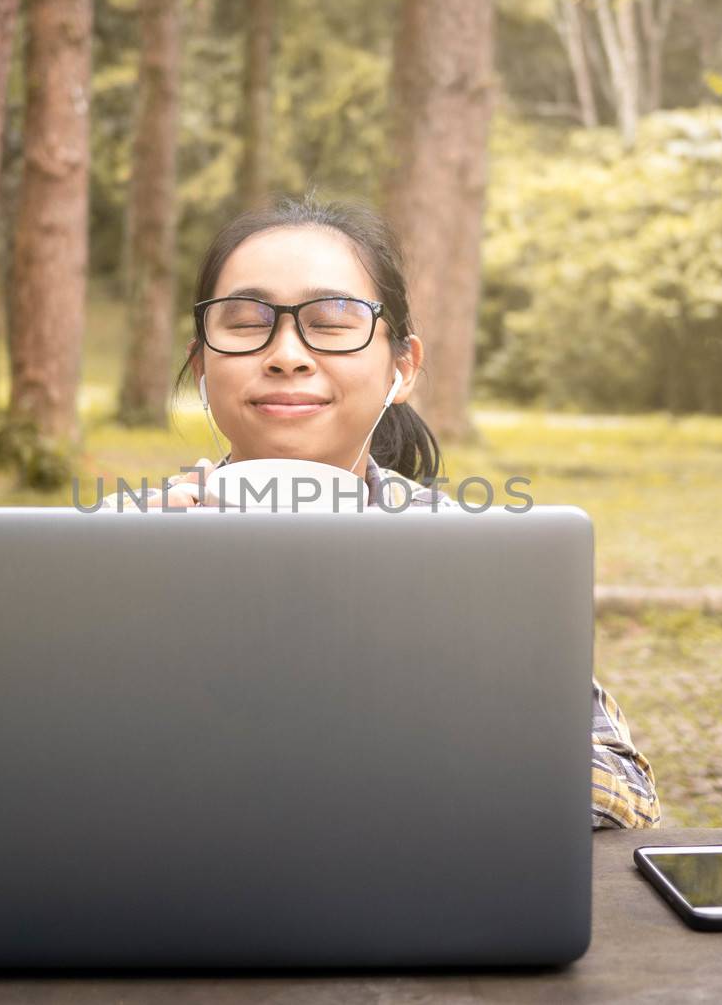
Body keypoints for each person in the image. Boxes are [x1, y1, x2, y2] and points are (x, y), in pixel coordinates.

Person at [98, 195, 661, 830]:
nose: (287, 354)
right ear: (202, 365)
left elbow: (623, 791)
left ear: (402, 367)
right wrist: (141, 602)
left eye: (334, 320)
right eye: (247, 320)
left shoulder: (477, 556)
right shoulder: (107, 542)